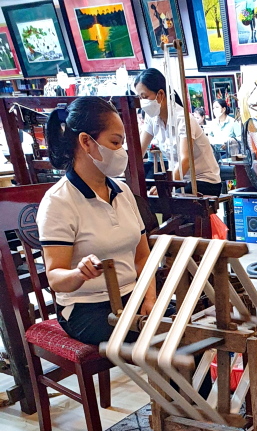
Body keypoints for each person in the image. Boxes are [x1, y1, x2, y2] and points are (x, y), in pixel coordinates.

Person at [38, 96, 155, 346]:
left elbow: (142, 256)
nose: (121, 151)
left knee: (187, 328)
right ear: (86, 142)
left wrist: (150, 299)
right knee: (159, 339)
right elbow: (55, 278)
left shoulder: (123, 192)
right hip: (85, 309)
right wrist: (79, 273)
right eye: (115, 142)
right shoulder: (58, 201)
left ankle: (176, 387)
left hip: (130, 297)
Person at [134, 68, 221, 196]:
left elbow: (185, 159)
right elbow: (138, 152)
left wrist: (166, 185)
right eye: (139, 98)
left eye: (145, 97)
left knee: (166, 202)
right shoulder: (151, 118)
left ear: (161, 94)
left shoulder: (183, 119)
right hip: (180, 181)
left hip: (204, 181)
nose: (142, 102)